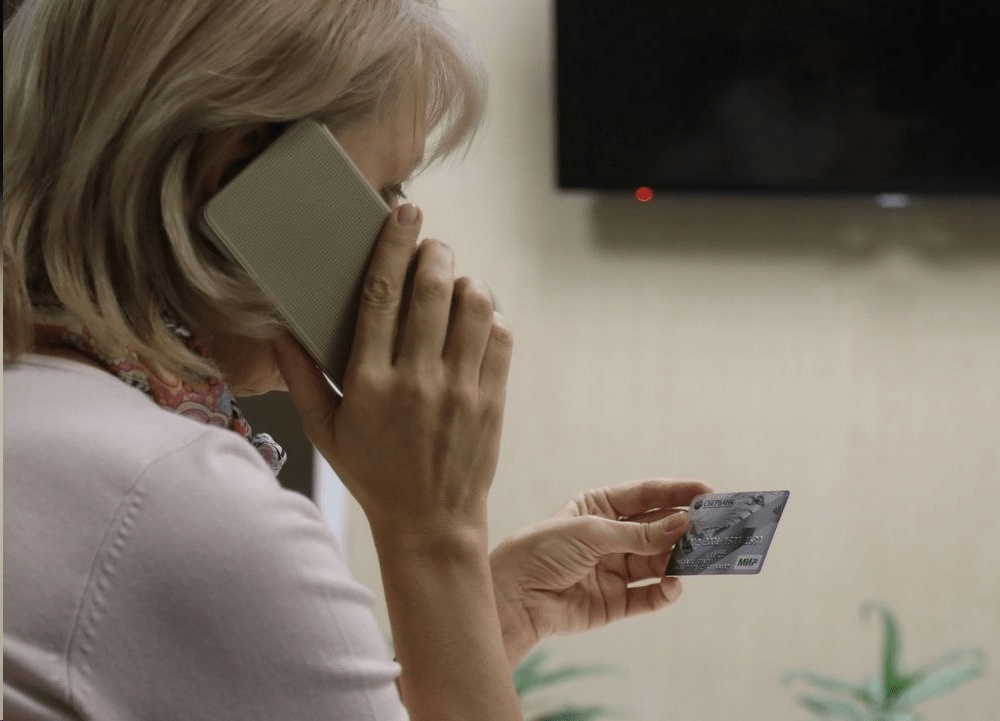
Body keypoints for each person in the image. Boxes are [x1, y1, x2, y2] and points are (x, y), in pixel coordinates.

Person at [2, 1, 709, 718]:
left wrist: (485, 617)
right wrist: (437, 535)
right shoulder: (183, 504)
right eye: (387, 192)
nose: (399, 240)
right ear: (238, 171)